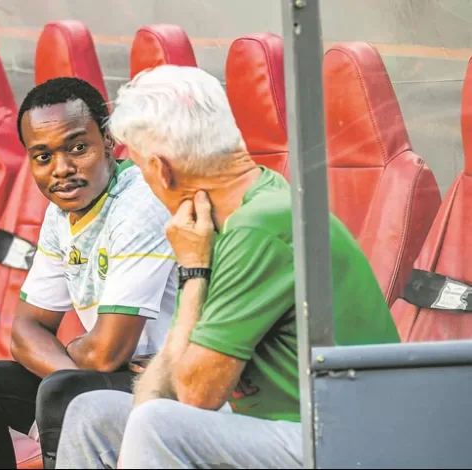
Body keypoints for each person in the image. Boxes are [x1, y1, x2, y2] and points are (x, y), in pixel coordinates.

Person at [55, 65, 401, 469]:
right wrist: (192, 269)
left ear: (162, 170)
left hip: (344, 440)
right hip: (280, 428)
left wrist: (193, 274)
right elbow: (163, 393)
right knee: (92, 415)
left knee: (156, 426)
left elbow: (195, 395)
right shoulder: (222, 218)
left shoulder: (260, 226)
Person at [0, 77, 179, 469]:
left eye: (77, 148)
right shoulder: (61, 214)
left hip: (174, 386)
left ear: (108, 140)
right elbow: (24, 333)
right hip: (114, 378)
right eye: (43, 157)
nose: (62, 169)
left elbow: (109, 351)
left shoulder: (140, 206)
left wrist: (73, 376)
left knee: (61, 393)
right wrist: (74, 376)